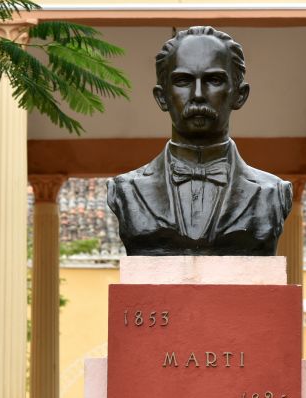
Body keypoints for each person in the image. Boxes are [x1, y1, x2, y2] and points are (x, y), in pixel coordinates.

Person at [107, 26, 292, 256]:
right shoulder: (126, 190)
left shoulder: (272, 192)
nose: (197, 94)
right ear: (162, 97)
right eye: (183, 81)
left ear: (239, 95)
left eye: (213, 80)